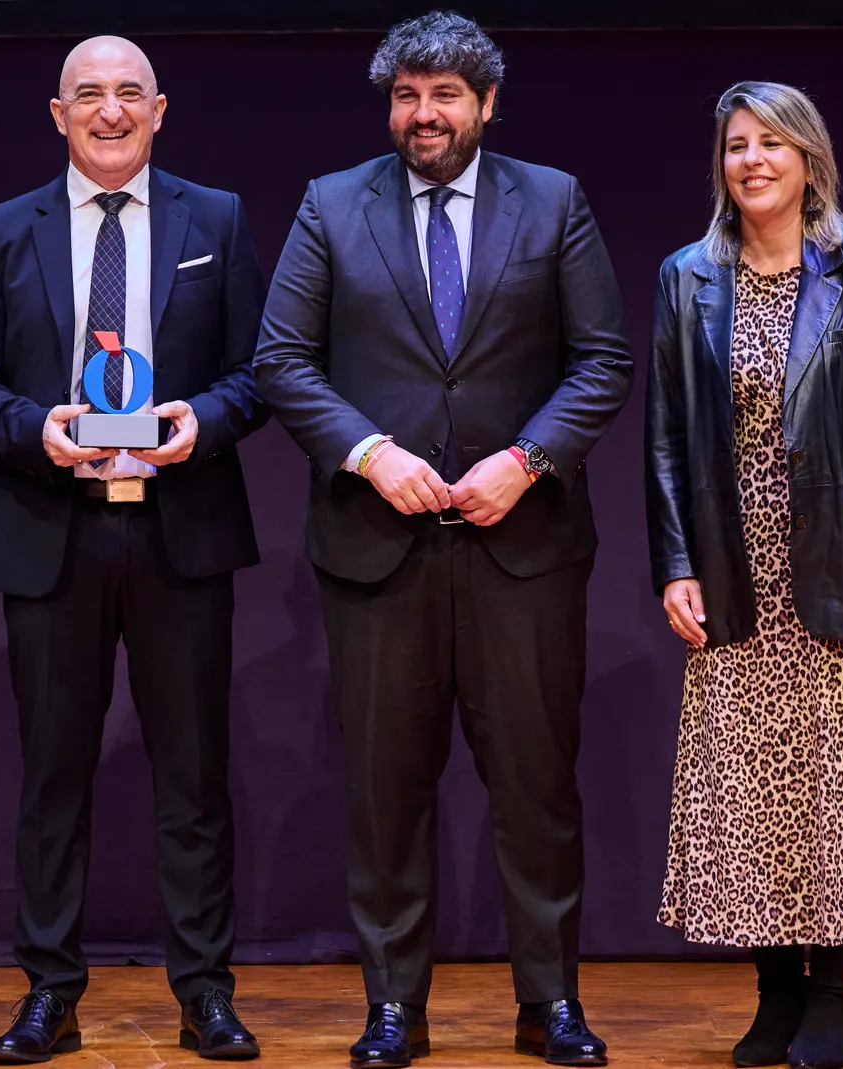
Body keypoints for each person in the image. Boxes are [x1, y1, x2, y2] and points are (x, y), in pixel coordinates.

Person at [254, 12, 632, 1068]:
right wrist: (371, 453)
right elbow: (284, 360)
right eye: (407, 95)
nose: (424, 115)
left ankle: (548, 1001)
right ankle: (391, 1005)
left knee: (536, 787)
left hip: (527, 546)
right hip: (378, 548)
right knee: (385, 789)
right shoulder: (332, 205)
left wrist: (528, 460)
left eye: (445, 95)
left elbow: (602, 360)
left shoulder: (552, 200)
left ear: (487, 103)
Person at [0, 34, 269, 1065]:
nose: (110, 110)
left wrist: (202, 423)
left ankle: (204, 993)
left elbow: (258, 372)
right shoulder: (1, 232)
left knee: (194, 778)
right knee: (52, 778)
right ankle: (49, 992)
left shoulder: (215, 217)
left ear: (161, 109)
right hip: (55, 533)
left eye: (130, 93)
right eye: (88, 94)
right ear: (57, 115)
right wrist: (31, 431)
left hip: (182, 529)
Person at [644, 80, 843, 1069]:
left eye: (773, 143)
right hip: (738, 570)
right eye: (736, 145)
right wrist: (675, 563)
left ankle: (832, 992)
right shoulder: (686, 276)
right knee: (756, 791)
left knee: (839, 783)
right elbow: (664, 443)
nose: (753, 160)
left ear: (808, 159)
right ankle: (774, 994)